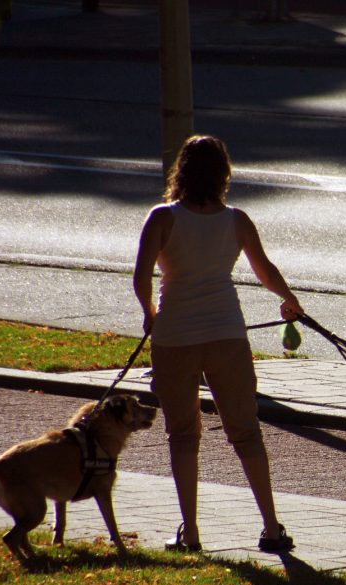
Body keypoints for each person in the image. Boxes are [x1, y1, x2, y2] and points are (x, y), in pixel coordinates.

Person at [134, 134, 304, 553]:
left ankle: (190, 532)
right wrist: (289, 300)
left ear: (182, 171)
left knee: (182, 434)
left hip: (174, 335)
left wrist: (149, 315)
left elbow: (141, 277)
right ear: (223, 174)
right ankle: (271, 527)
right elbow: (264, 269)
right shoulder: (236, 220)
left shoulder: (162, 217)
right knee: (246, 431)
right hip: (228, 332)